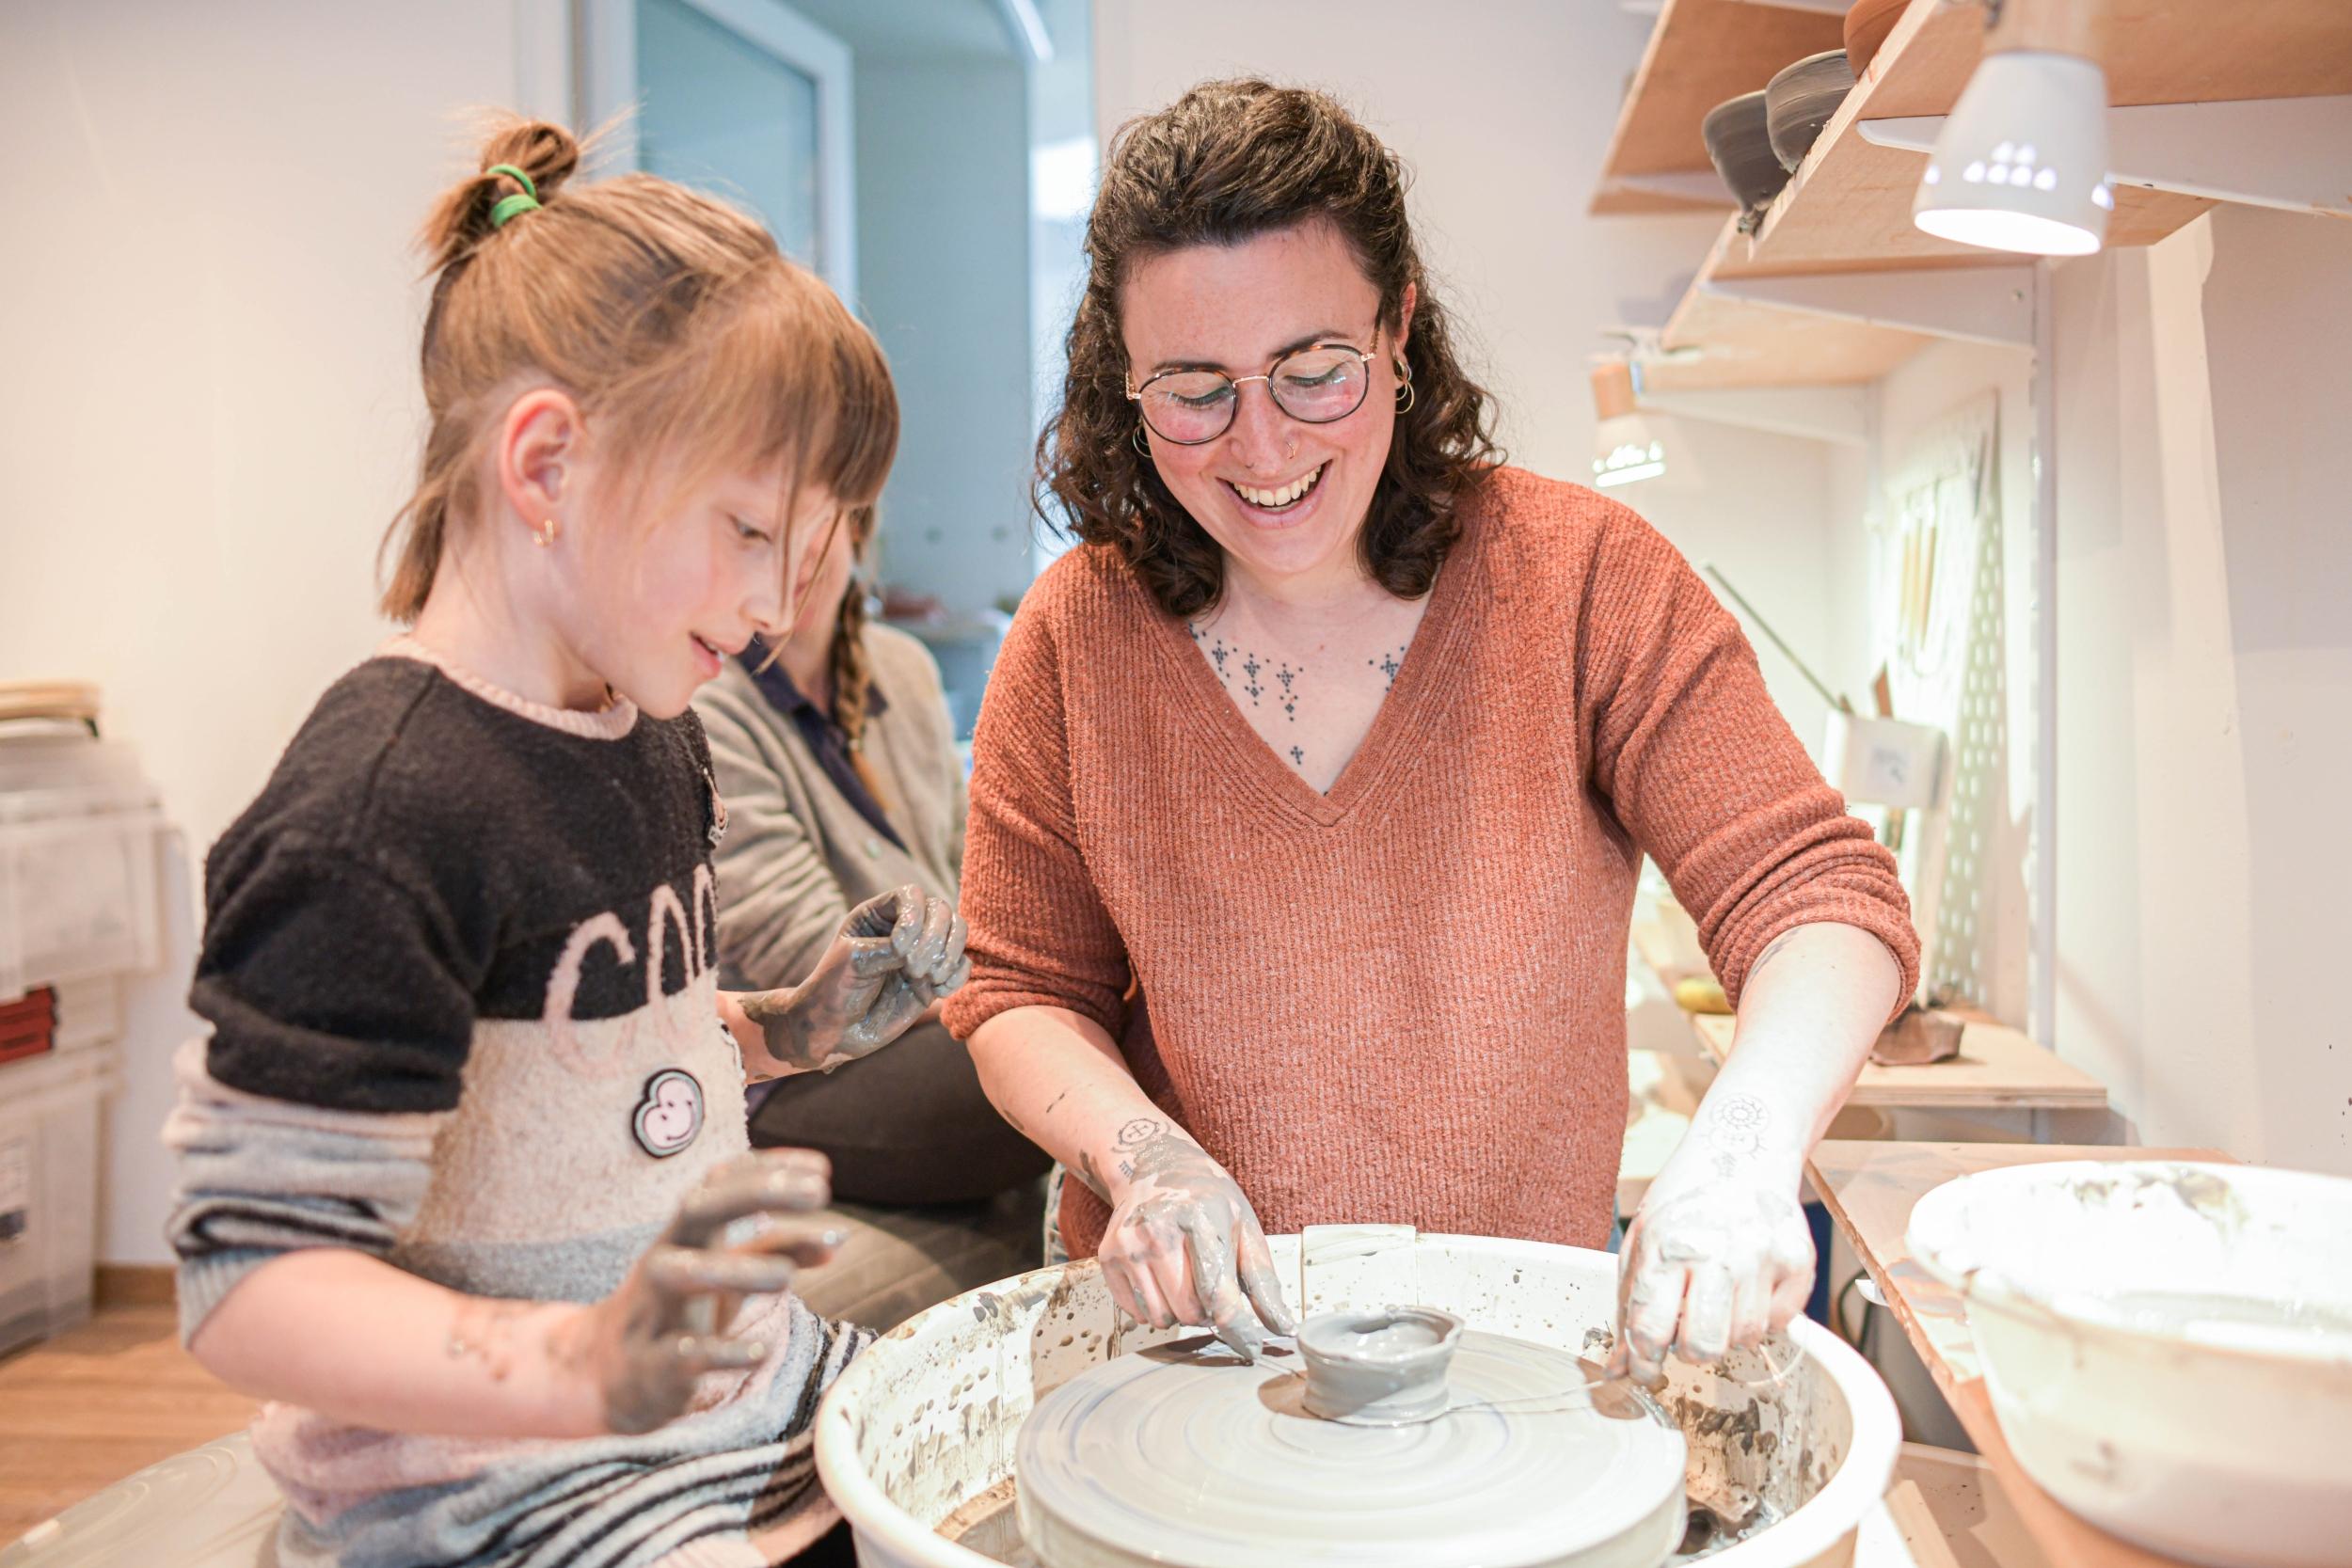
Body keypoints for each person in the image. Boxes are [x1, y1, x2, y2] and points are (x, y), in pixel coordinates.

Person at [944, 80, 1920, 1384]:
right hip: (1191, 1355)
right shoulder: (1076, 634)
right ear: (1126, 383)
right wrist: (1143, 1154)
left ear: (1399, 329)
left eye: (1314, 370)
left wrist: (1746, 1140)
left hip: (1515, 1354)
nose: (1263, 442)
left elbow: (1818, 894)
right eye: (1193, 391)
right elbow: (1018, 990)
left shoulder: (1580, 579)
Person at [162, 119, 963, 1568]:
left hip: (725, 1411)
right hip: (508, 1480)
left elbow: (604, 1058)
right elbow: (247, 1280)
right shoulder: (377, 814)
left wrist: (789, 1027)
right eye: (747, 531)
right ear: (546, 465)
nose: (783, 603)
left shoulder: (648, 727)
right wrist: (587, 1362)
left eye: (811, 551)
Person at [696, 503, 1049, 1204]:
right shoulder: (708, 704)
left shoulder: (905, 669)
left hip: (933, 1012)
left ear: (856, 529)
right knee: (1040, 1056)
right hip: (799, 1068)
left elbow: (979, 881)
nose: (785, 560)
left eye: (809, 527)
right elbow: (811, 963)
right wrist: (1018, 989)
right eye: (754, 531)